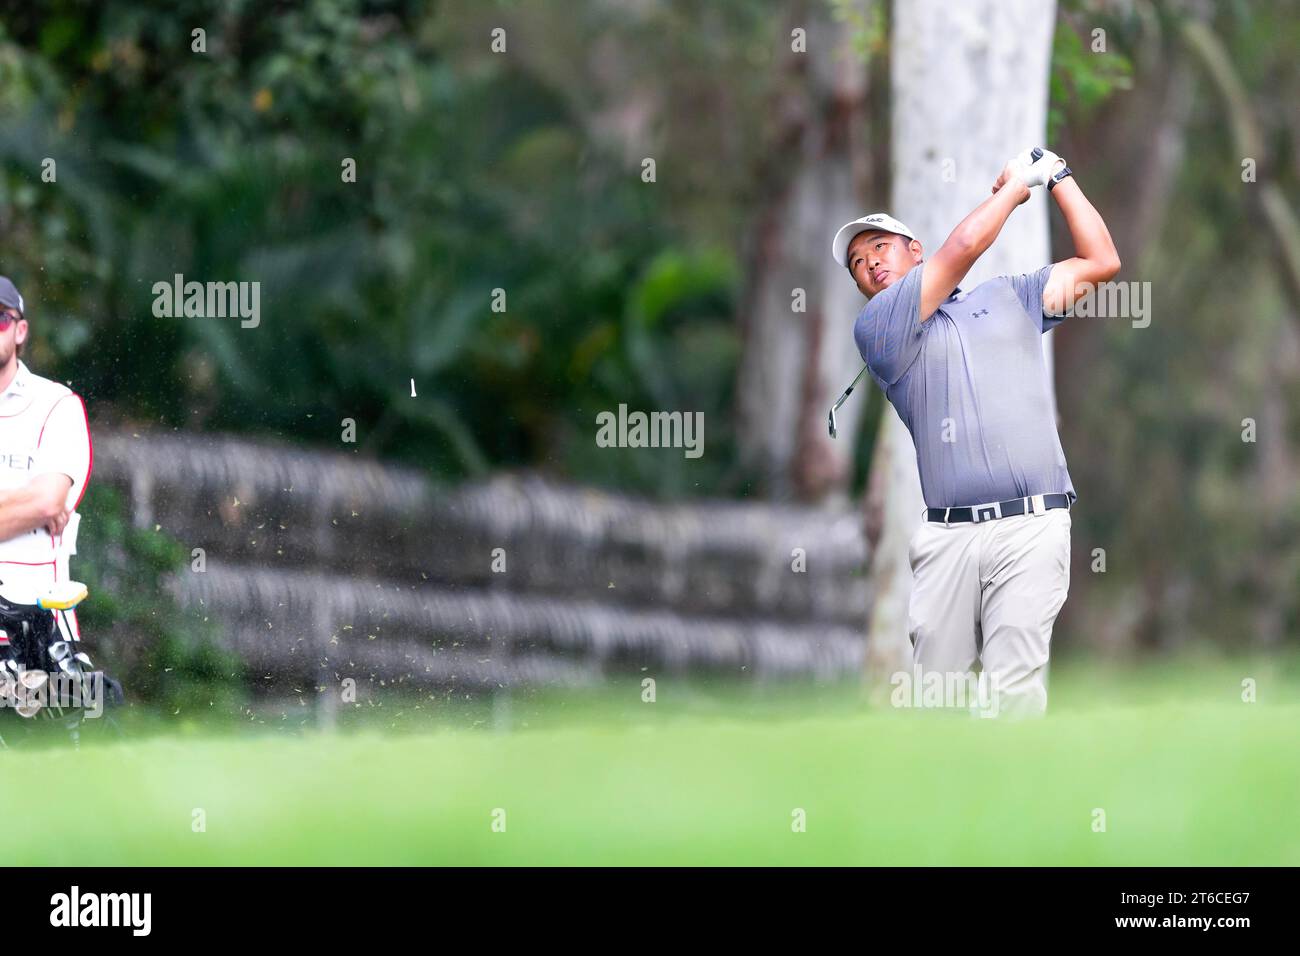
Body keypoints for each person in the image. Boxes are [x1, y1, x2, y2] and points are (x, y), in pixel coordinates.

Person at [831, 148, 1120, 717]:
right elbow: (962, 250)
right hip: (949, 540)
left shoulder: (1011, 297)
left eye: (879, 248)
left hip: (1033, 525)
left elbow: (1101, 259)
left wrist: (1058, 176)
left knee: (1013, 697)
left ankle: (1018, 807)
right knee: (939, 705)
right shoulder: (881, 329)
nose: (869, 265)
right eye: (858, 264)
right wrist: (1014, 189)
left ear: (913, 251)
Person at [0, 276, 92, 659]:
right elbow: (36, 503)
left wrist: (37, 505)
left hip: (39, 634)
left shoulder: (56, 404)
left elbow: (48, 503)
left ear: (20, 330)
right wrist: (19, 505)